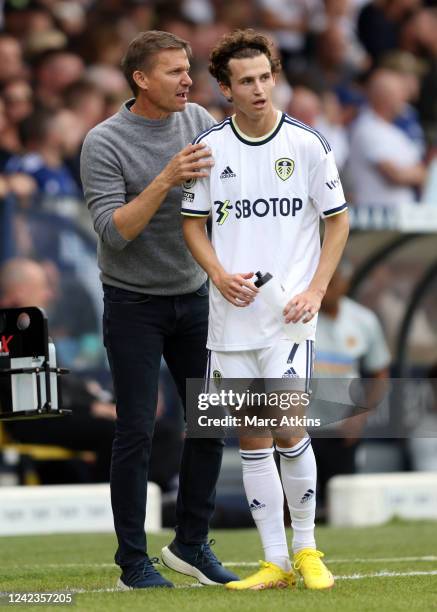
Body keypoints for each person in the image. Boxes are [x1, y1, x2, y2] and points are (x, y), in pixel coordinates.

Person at [181, 29, 349, 590]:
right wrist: (218, 273)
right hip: (231, 318)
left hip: (288, 315)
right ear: (226, 88)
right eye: (245, 81)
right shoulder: (211, 149)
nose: (258, 88)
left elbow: (338, 220)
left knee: (289, 427)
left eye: (264, 77)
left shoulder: (307, 144)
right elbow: (191, 224)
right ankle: (275, 561)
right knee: (251, 437)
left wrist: (316, 291)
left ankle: (308, 550)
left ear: (274, 76)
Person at [80, 30, 239, 590]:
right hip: (132, 303)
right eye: (173, 71)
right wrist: (166, 177)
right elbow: (113, 231)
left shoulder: (199, 120)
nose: (187, 80)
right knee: (137, 429)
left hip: (195, 295)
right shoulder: (104, 142)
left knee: (210, 420)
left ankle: (192, 544)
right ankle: (132, 564)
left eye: (188, 69)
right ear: (140, 79)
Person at [312, 262, 391, 507]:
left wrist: (359, 417)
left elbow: (380, 374)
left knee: (340, 503)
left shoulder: (363, 320)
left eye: (334, 282)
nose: (327, 288)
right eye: (324, 280)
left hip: (341, 427)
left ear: (346, 283)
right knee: (293, 498)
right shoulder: (300, 314)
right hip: (299, 425)